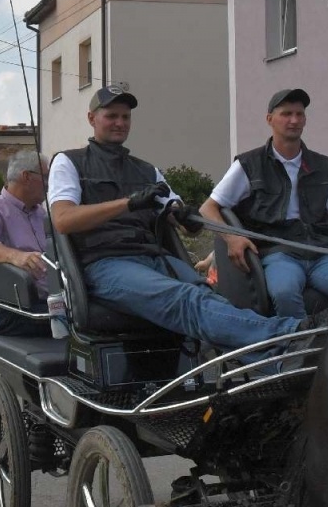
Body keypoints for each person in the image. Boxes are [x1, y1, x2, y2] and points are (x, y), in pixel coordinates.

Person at [50, 85, 303, 349]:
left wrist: (185, 216)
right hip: (106, 264)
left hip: (155, 258)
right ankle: (291, 335)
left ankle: (272, 368)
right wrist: (129, 204)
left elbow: (186, 228)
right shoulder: (69, 163)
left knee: (209, 298)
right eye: (111, 116)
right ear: (92, 119)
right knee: (186, 299)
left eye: (125, 117)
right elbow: (63, 219)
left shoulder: (147, 171)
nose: (120, 123)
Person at [200, 88, 328, 319]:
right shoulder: (249, 164)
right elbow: (208, 208)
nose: (294, 120)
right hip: (278, 254)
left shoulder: (322, 166)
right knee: (284, 293)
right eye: (286, 114)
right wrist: (231, 238)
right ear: (270, 119)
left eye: (299, 114)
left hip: (320, 254)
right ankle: (296, 352)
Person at [0, 149, 51, 337]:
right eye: (46, 177)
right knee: (77, 326)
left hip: (48, 303)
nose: (49, 184)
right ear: (26, 177)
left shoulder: (42, 214)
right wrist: (15, 256)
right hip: (11, 310)